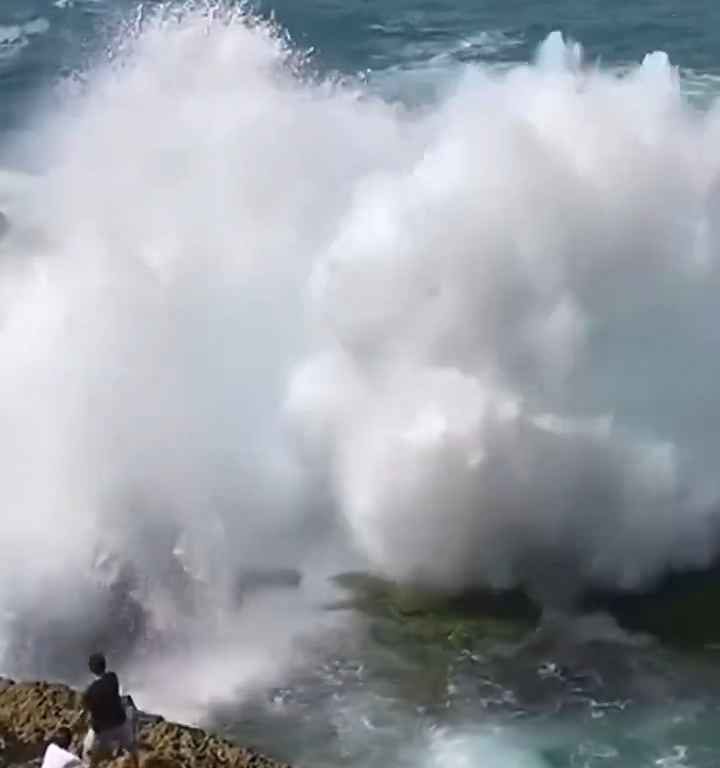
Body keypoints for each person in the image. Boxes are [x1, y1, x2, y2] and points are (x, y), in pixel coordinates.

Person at [82, 653, 139, 768]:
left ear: (91, 669)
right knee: (131, 748)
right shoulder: (113, 678)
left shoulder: (89, 692)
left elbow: (89, 712)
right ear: (105, 665)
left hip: (102, 731)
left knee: (88, 752)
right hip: (120, 724)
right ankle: (136, 763)